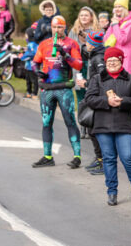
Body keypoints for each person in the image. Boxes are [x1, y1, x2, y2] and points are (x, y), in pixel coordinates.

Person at [84, 47, 131, 206]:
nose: (111, 63)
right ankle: (112, 192)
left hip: (124, 126)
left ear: (121, 61)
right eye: (109, 60)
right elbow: (89, 99)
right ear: (105, 62)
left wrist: (123, 101)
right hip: (103, 126)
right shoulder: (97, 79)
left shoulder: (130, 79)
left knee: (128, 158)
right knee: (109, 159)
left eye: (115, 60)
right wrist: (106, 101)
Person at [31, 15, 83, 169]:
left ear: (64, 27)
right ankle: (48, 156)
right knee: (46, 123)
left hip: (64, 89)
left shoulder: (71, 44)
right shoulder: (45, 44)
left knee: (70, 121)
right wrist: (38, 72)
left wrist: (65, 54)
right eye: (54, 27)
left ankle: (77, 156)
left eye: (59, 27)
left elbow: (79, 65)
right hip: (47, 89)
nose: (56, 30)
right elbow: (35, 62)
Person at [69, 6, 101, 137]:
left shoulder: (97, 31)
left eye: (86, 15)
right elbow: (70, 47)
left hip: (91, 65)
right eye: (81, 15)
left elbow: (100, 46)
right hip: (78, 66)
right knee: (81, 96)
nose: (83, 18)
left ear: (91, 17)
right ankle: (82, 124)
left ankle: (91, 124)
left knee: (91, 94)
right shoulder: (74, 31)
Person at [77, 31, 106, 175]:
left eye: (88, 42)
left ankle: (103, 162)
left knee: (95, 130)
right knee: (91, 129)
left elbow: (102, 76)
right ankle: (99, 158)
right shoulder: (94, 54)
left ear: (93, 44)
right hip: (93, 94)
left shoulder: (99, 57)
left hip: (98, 97)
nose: (86, 44)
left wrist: (86, 83)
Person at [103, 0, 131, 75]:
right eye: (115, 7)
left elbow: (122, 40)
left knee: (124, 82)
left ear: (125, 8)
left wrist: (115, 25)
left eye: (120, 6)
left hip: (126, 58)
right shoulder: (115, 22)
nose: (117, 9)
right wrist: (113, 24)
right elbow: (106, 39)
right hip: (114, 57)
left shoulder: (130, 23)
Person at [21, 27, 39, 99]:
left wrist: (24, 57)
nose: (25, 35)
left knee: (34, 80)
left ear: (29, 35)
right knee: (28, 80)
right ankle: (28, 92)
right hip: (27, 66)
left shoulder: (33, 44)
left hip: (32, 66)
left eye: (26, 34)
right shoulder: (29, 43)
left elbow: (33, 54)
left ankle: (34, 93)